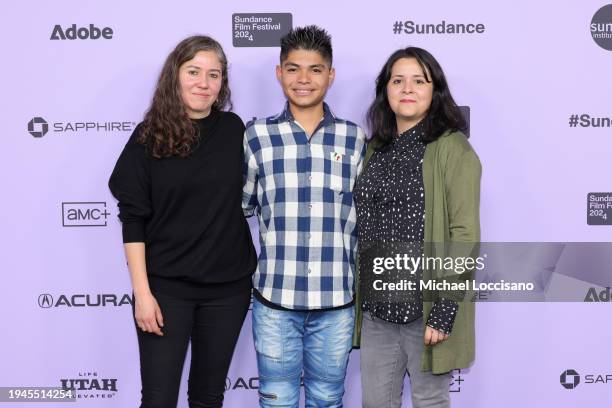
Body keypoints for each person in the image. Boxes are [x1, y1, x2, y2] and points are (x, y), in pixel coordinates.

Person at [108, 35, 256, 408]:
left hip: (228, 290)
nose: (203, 83)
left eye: (214, 74)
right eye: (193, 72)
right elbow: (133, 220)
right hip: (165, 291)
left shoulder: (234, 130)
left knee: (208, 397)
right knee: (158, 399)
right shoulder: (147, 137)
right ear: (175, 75)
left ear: (223, 83)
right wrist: (143, 295)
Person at [242, 26, 366, 407]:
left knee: (328, 399)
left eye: (315, 70)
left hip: (336, 301)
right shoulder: (256, 136)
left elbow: (363, 216)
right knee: (277, 400)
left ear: (330, 75)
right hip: (275, 299)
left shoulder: (354, 137)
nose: (303, 80)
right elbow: (243, 204)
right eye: (293, 69)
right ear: (279, 73)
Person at [353, 47, 481, 408]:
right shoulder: (374, 148)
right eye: (398, 80)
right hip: (377, 310)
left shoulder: (453, 149)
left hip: (425, 310)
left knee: (429, 401)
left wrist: (444, 310)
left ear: (434, 89)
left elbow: (465, 236)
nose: (407, 88)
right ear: (386, 90)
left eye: (419, 80)